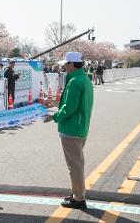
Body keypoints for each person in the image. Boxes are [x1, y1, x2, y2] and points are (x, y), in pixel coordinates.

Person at [43, 52, 94, 209]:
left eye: (66, 64)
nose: (64, 66)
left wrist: (54, 117)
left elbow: (69, 108)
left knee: (74, 166)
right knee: (77, 163)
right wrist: (55, 103)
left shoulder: (74, 82)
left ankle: (79, 198)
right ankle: (77, 193)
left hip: (71, 128)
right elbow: (71, 103)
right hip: (80, 127)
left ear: (72, 64)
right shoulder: (83, 79)